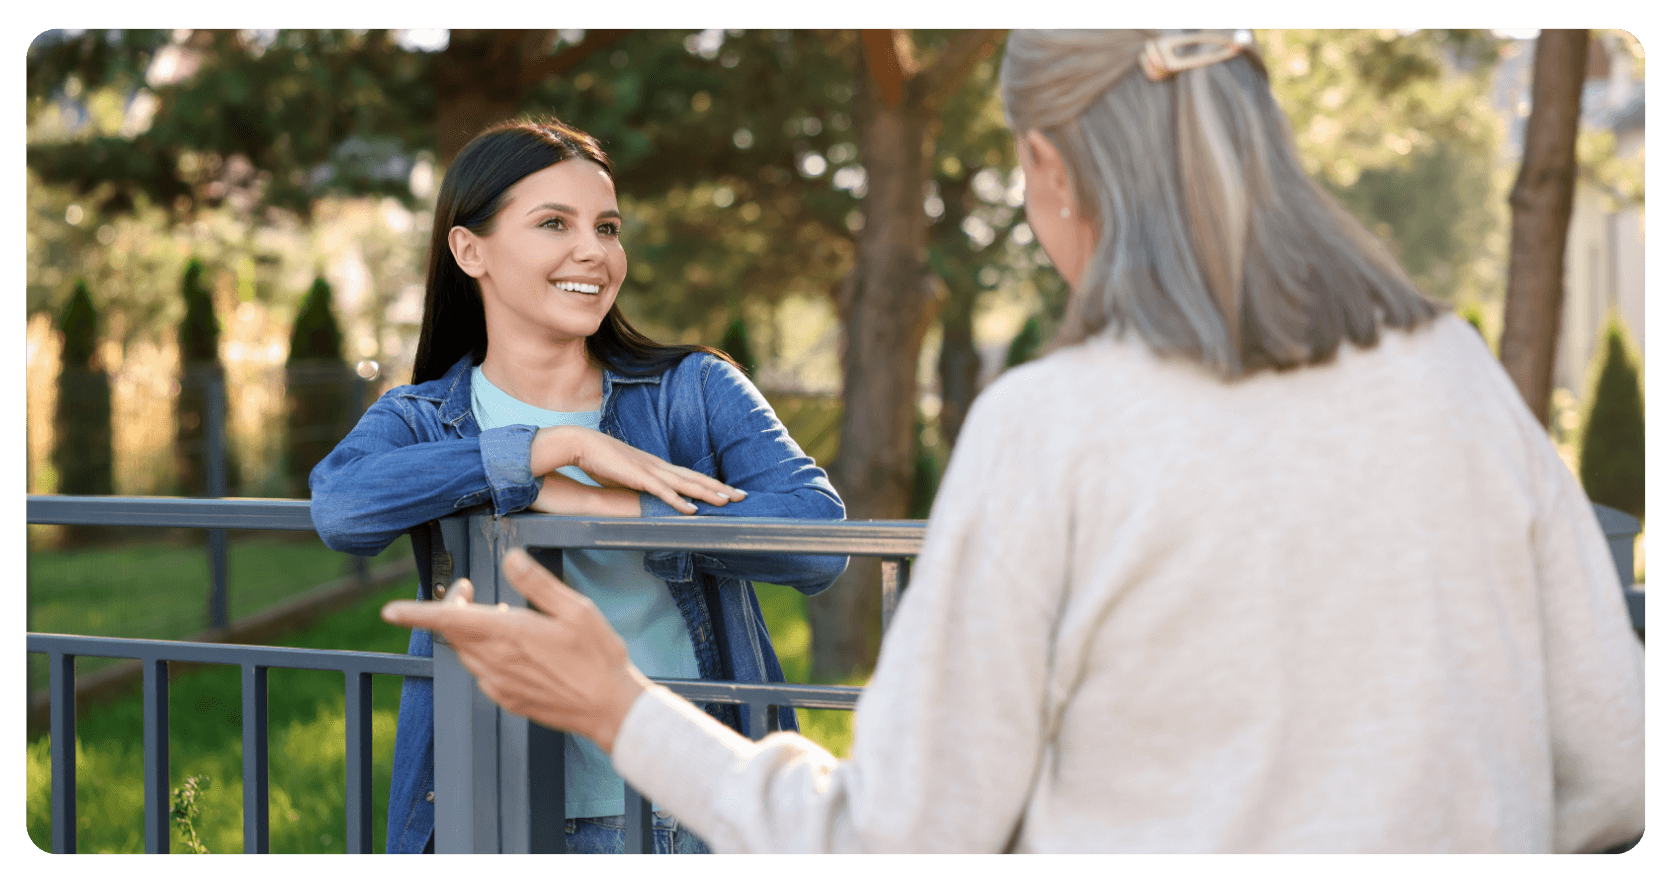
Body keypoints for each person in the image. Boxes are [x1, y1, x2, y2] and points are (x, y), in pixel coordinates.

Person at [382, 31, 1646, 853]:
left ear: (1048, 167)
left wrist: (621, 705)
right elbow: (1610, 781)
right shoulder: (1455, 375)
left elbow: (901, 833)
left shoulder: (1058, 427)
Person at [309, 118, 848, 854]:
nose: (592, 250)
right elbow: (342, 505)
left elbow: (819, 543)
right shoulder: (427, 417)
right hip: (503, 814)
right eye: (553, 223)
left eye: (607, 226)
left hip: (695, 810)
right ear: (471, 250)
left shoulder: (695, 390)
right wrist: (543, 452)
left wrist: (604, 505)